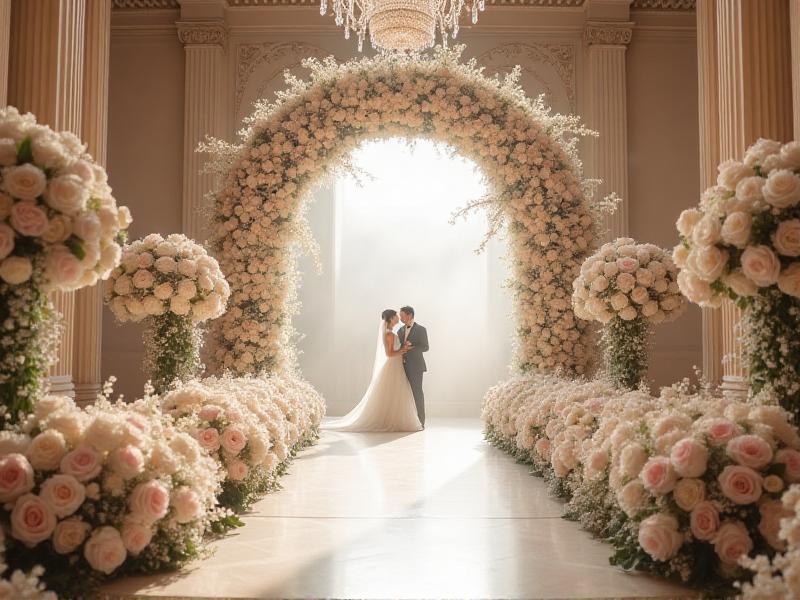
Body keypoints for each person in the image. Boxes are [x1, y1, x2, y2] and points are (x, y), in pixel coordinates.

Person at [323, 309, 423, 432]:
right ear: (391, 318)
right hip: (393, 365)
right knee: (394, 393)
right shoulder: (389, 334)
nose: (399, 317)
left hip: (397, 366)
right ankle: (390, 420)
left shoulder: (391, 332)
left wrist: (403, 349)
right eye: (397, 316)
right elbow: (390, 353)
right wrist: (403, 350)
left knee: (395, 394)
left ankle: (393, 419)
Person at [397, 305, 429, 428]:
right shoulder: (399, 330)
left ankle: (421, 422)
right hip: (401, 367)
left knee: (417, 393)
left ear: (409, 315)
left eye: (402, 315)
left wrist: (412, 348)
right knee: (403, 393)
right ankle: (406, 420)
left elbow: (426, 347)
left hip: (416, 366)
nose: (400, 318)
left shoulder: (421, 329)